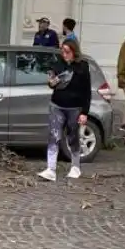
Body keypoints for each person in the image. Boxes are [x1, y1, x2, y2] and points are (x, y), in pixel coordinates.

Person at [39, 39, 91, 181]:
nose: (64, 54)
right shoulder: (58, 64)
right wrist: (51, 82)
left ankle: (75, 167)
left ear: (74, 51)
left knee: (72, 136)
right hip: (57, 105)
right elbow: (52, 82)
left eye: (67, 51)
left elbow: (87, 91)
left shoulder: (82, 66)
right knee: (53, 136)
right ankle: (51, 169)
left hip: (75, 108)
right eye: (62, 51)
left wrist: (84, 112)